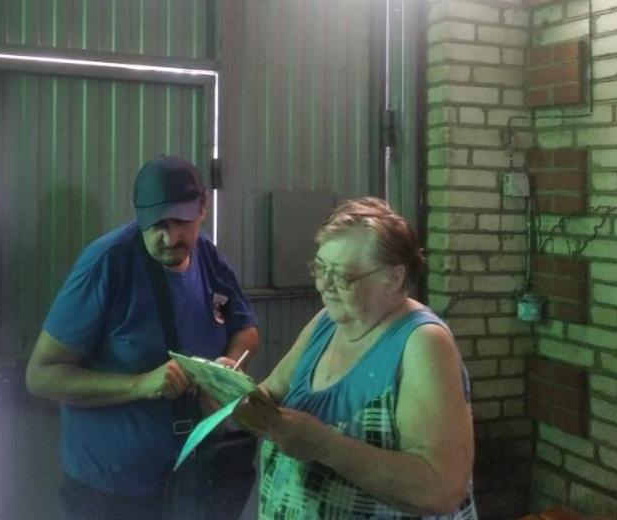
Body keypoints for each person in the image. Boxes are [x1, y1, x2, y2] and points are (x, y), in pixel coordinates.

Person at [25, 155, 260, 519]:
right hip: (111, 491)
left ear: (203, 209)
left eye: (181, 223)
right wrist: (140, 386)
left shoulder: (207, 255)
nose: (170, 238)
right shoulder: (107, 262)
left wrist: (225, 371)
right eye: (157, 225)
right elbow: (41, 376)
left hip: (193, 480)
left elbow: (246, 329)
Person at [236, 197, 477, 519]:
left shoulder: (422, 343)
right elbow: (269, 395)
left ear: (393, 278)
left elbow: (440, 490)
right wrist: (231, 391)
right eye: (320, 269)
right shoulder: (325, 323)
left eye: (344, 277)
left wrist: (324, 446)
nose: (324, 285)